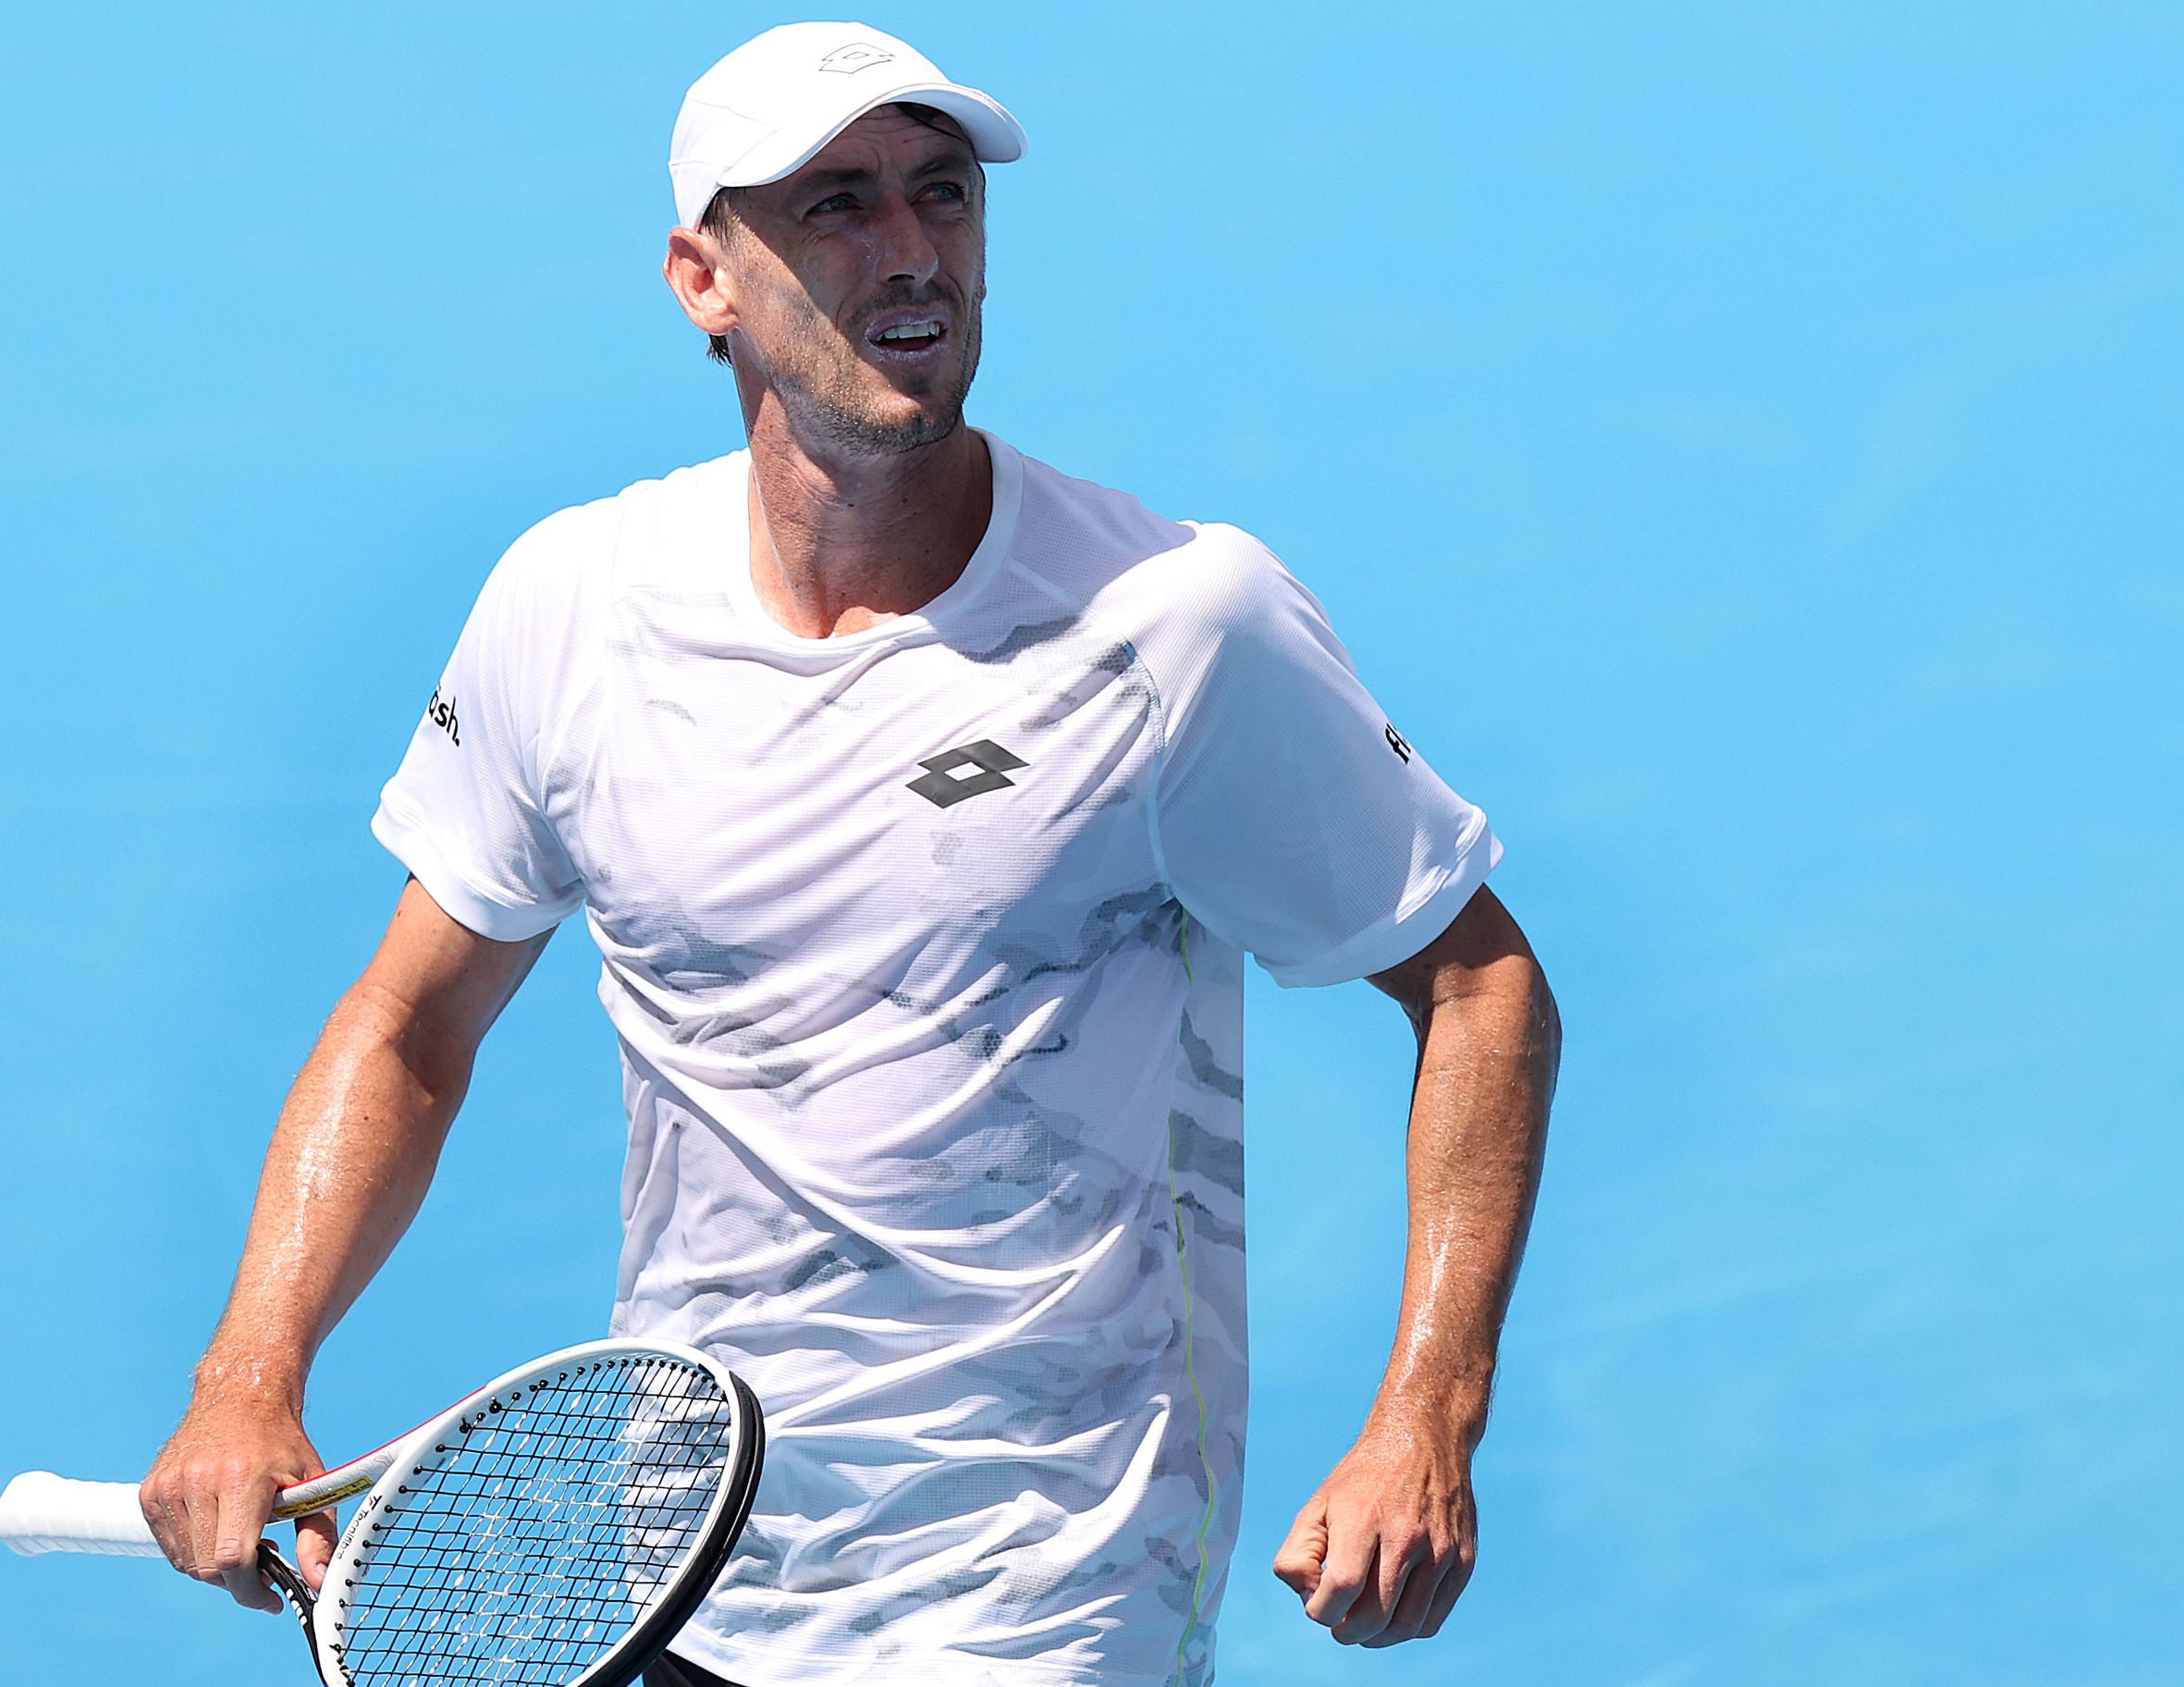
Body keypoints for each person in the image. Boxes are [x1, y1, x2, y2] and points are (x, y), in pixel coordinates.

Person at [140, 21, 1559, 1686]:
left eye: (940, 198)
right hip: (679, 1575)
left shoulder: (1173, 627)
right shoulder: (570, 610)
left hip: (1044, 1596)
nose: (911, 255)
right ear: (702, 278)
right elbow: (410, 1025)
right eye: (835, 208)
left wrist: (1426, 1420)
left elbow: (1478, 988)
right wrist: (249, 1368)